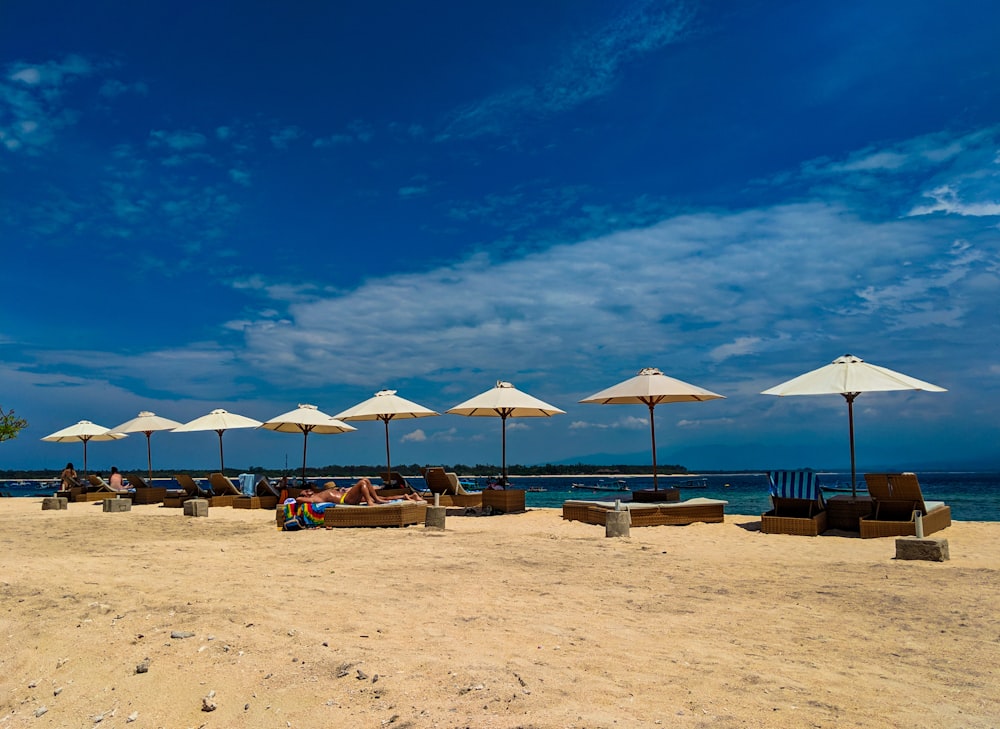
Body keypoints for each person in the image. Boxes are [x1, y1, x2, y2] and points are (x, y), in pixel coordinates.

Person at [295, 477, 425, 506]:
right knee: (363, 482)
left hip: (347, 497)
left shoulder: (319, 493)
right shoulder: (314, 498)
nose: (308, 490)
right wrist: (303, 497)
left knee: (366, 481)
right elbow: (298, 500)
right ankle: (371, 502)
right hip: (346, 500)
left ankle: (376, 500)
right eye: (305, 491)